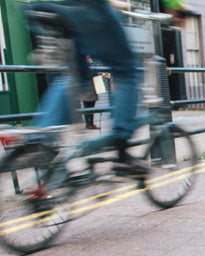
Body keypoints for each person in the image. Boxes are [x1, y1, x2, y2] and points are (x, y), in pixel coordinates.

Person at [19, 0, 185, 175]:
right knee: (126, 72)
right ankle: (122, 154)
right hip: (87, 9)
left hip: (44, 8)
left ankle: (40, 140)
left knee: (72, 77)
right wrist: (179, 7)